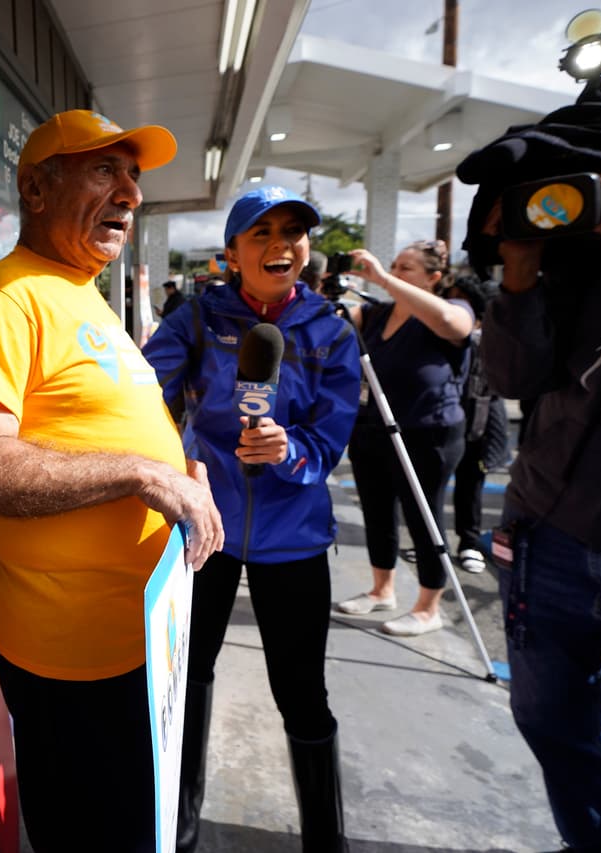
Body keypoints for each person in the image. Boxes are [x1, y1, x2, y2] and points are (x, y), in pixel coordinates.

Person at [0, 109, 224, 853]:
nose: (129, 189)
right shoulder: (4, 295)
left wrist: (176, 470)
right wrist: (139, 471)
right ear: (38, 188)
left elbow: (94, 428)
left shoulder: (85, 294)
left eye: (133, 173)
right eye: (104, 169)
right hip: (74, 669)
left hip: (140, 649)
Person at [143, 185, 360, 852]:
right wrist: (179, 462)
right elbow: (145, 399)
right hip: (201, 531)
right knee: (189, 677)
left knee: (302, 693)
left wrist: (289, 450)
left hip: (293, 540)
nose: (280, 246)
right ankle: (178, 829)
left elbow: (330, 437)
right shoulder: (196, 319)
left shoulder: (331, 331)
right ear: (232, 253)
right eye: (260, 233)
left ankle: (326, 839)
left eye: (293, 232)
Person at [480, 174, 601, 851]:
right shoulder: (580, 262)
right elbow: (510, 379)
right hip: (552, 531)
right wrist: (521, 273)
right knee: (549, 717)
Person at [334, 239, 474, 636]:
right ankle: (382, 589)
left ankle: (429, 607)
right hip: (373, 428)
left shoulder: (451, 309)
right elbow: (332, 325)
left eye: (405, 268)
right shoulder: (375, 314)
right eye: (393, 266)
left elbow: (455, 325)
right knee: (377, 511)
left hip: (429, 432)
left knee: (423, 515)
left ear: (433, 277)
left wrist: (380, 278)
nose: (393, 274)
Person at [441, 272, 509, 574]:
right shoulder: (438, 328)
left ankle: (468, 541)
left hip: (478, 420)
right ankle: (432, 543)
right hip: (439, 420)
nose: (453, 302)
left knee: (471, 481)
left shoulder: (489, 335)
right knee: (432, 485)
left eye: (459, 297)